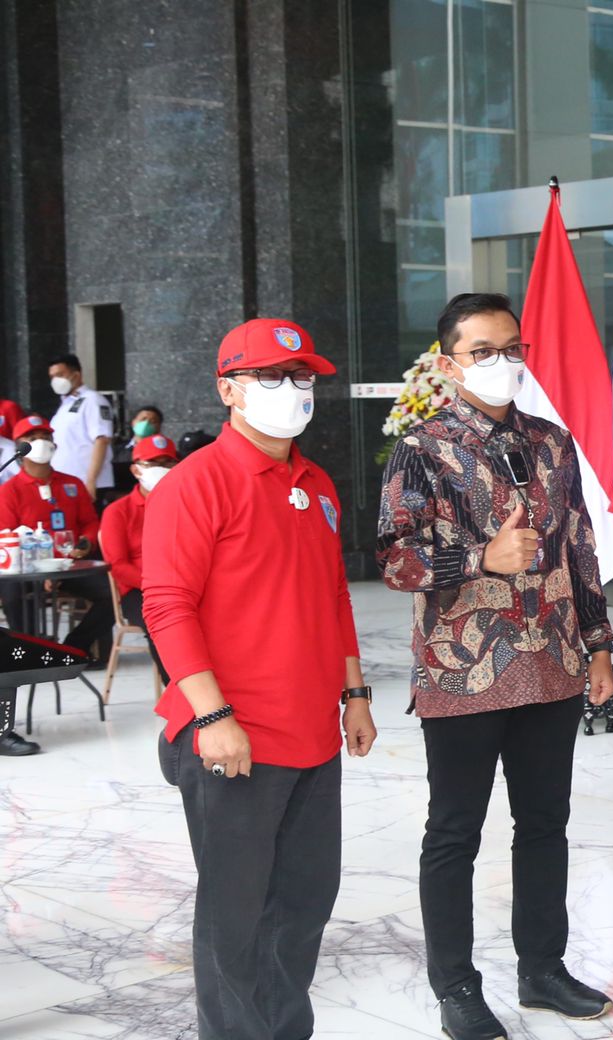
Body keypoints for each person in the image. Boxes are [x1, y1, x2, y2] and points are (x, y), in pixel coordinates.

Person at [376, 293, 613, 1040]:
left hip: (553, 661)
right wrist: (479, 556)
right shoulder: (423, 447)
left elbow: (579, 545)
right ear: (448, 362)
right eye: (482, 351)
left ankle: (542, 970)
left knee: (545, 824)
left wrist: (600, 643)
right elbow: (393, 559)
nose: (502, 361)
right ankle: (455, 986)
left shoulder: (551, 441)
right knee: (455, 831)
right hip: (462, 672)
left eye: (511, 347)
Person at [144, 318, 376, 1040]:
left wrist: (356, 692)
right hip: (234, 738)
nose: (291, 390)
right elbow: (167, 605)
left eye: (301, 377)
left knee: (305, 903)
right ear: (228, 389)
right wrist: (213, 718)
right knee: (234, 918)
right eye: (270, 377)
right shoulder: (198, 484)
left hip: (313, 731)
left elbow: (333, 595)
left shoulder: (316, 482)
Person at [0, 415, 113, 664]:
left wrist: (86, 542)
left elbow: (90, 522)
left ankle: (73, 649)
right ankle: (27, 655)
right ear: (19, 446)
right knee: (11, 592)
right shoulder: (9, 491)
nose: (40, 442)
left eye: (45, 437)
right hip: (27, 568)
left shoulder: (72, 484)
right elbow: (6, 533)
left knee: (113, 594)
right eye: (32, 438)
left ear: (55, 444)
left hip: (71, 564)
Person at [98, 432, 179, 684]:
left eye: (168, 464)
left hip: (187, 583)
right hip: (139, 590)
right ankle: (181, 696)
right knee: (164, 623)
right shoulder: (118, 512)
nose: (161, 470)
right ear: (135, 469)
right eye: (153, 464)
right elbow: (118, 566)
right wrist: (159, 585)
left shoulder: (185, 503)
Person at [47, 353, 116, 502]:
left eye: (60, 374)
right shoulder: (65, 405)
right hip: (66, 482)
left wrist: (91, 481)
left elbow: (102, 440)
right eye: (52, 377)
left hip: (88, 483)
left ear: (76, 374)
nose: (55, 380)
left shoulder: (93, 400)